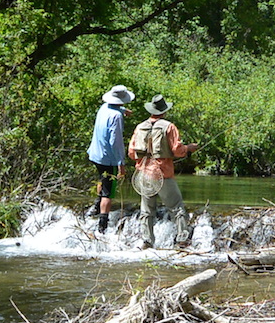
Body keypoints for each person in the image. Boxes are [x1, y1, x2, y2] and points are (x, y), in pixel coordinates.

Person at [128, 94, 200, 248]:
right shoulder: (169, 127)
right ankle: (182, 239)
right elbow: (178, 150)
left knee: (146, 211)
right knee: (176, 207)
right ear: (164, 111)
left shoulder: (140, 127)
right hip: (162, 173)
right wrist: (189, 148)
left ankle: (147, 241)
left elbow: (131, 153)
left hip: (143, 173)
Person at [86, 84, 134, 233]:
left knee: (102, 179)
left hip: (95, 154)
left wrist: (123, 110)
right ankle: (102, 226)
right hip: (108, 158)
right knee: (108, 191)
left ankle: (95, 208)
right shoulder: (116, 117)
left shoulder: (104, 108)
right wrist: (121, 163)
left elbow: (113, 109)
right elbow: (116, 141)